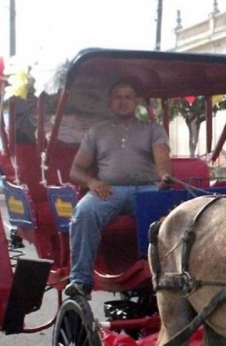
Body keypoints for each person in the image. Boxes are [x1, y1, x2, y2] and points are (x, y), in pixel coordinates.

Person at [64, 80, 173, 298]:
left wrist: (164, 176)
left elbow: (162, 159)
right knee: (84, 212)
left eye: (128, 97)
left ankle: (167, 274)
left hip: (146, 190)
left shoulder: (152, 129)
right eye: (118, 97)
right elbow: (75, 171)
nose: (123, 101)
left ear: (136, 102)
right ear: (110, 102)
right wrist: (92, 183)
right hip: (109, 191)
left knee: (169, 219)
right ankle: (81, 280)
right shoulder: (96, 133)